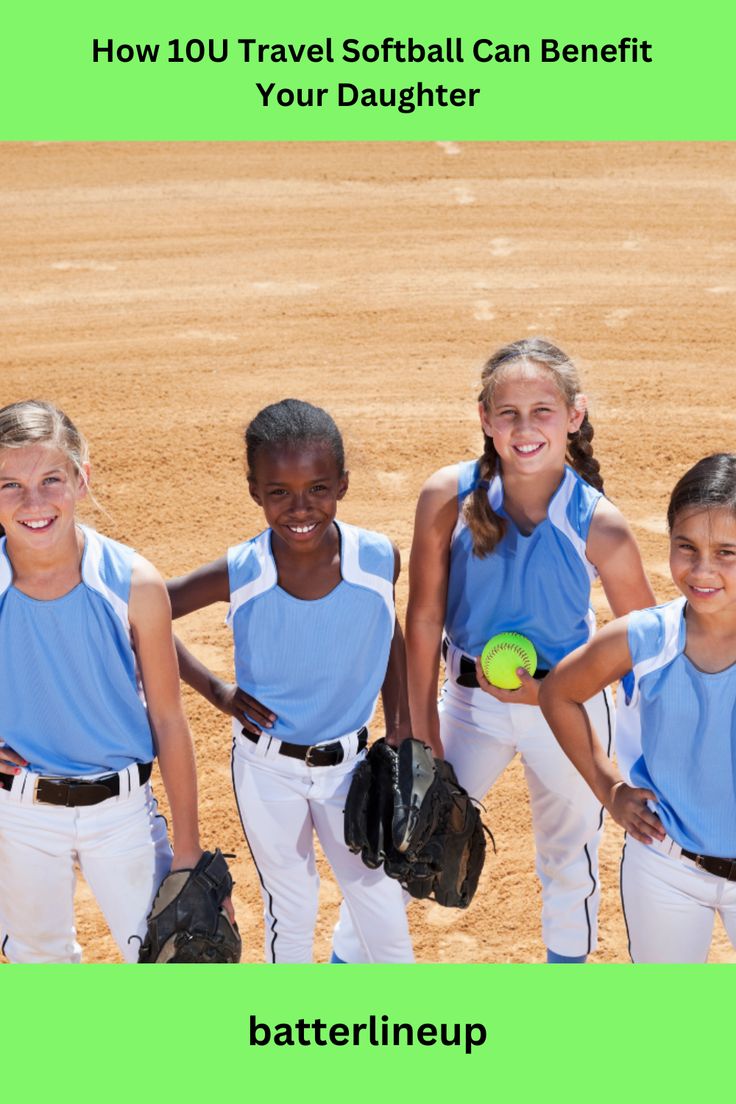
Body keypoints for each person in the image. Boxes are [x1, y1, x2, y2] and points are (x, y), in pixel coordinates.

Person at [405, 337, 654, 963]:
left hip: (565, 705)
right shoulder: (448, 496)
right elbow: (425, 615)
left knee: (569, 867)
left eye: (542, 410)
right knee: (404, 849)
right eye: (507, 413)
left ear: (575, 415)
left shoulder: (600, 523)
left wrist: (554, 697)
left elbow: (647, 646)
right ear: (485, 420)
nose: (524, 428)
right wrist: (422, 733)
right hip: (466, 704)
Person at [167, 398, 414, 964]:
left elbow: (389, 635)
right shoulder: (244, 569)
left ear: (343, 485)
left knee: (378, 901)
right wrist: (217, 690)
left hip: (352, 767)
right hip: (266, 767)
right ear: (255, 490)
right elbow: (143, 615)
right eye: (279, 491)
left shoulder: (377, 558)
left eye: (318, 488)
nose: (300, 507)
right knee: (292, 908)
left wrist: (399, 728)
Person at [0, 400, 202, 964]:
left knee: (165, 960)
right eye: (9, 484)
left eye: (51, 480)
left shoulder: (133, 582)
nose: (34, 502)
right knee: (41, 964)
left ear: (81, 480)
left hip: (123, 814)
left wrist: (188, 852)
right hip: (19, 813)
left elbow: (167, 716)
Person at [539, 453, 736, 963]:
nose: (703, 569)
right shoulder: (646, 636)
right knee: (666, 1034)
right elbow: (558, 692)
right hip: (666, 867)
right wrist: (610, 788)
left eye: (728, 552)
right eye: (686, 547)